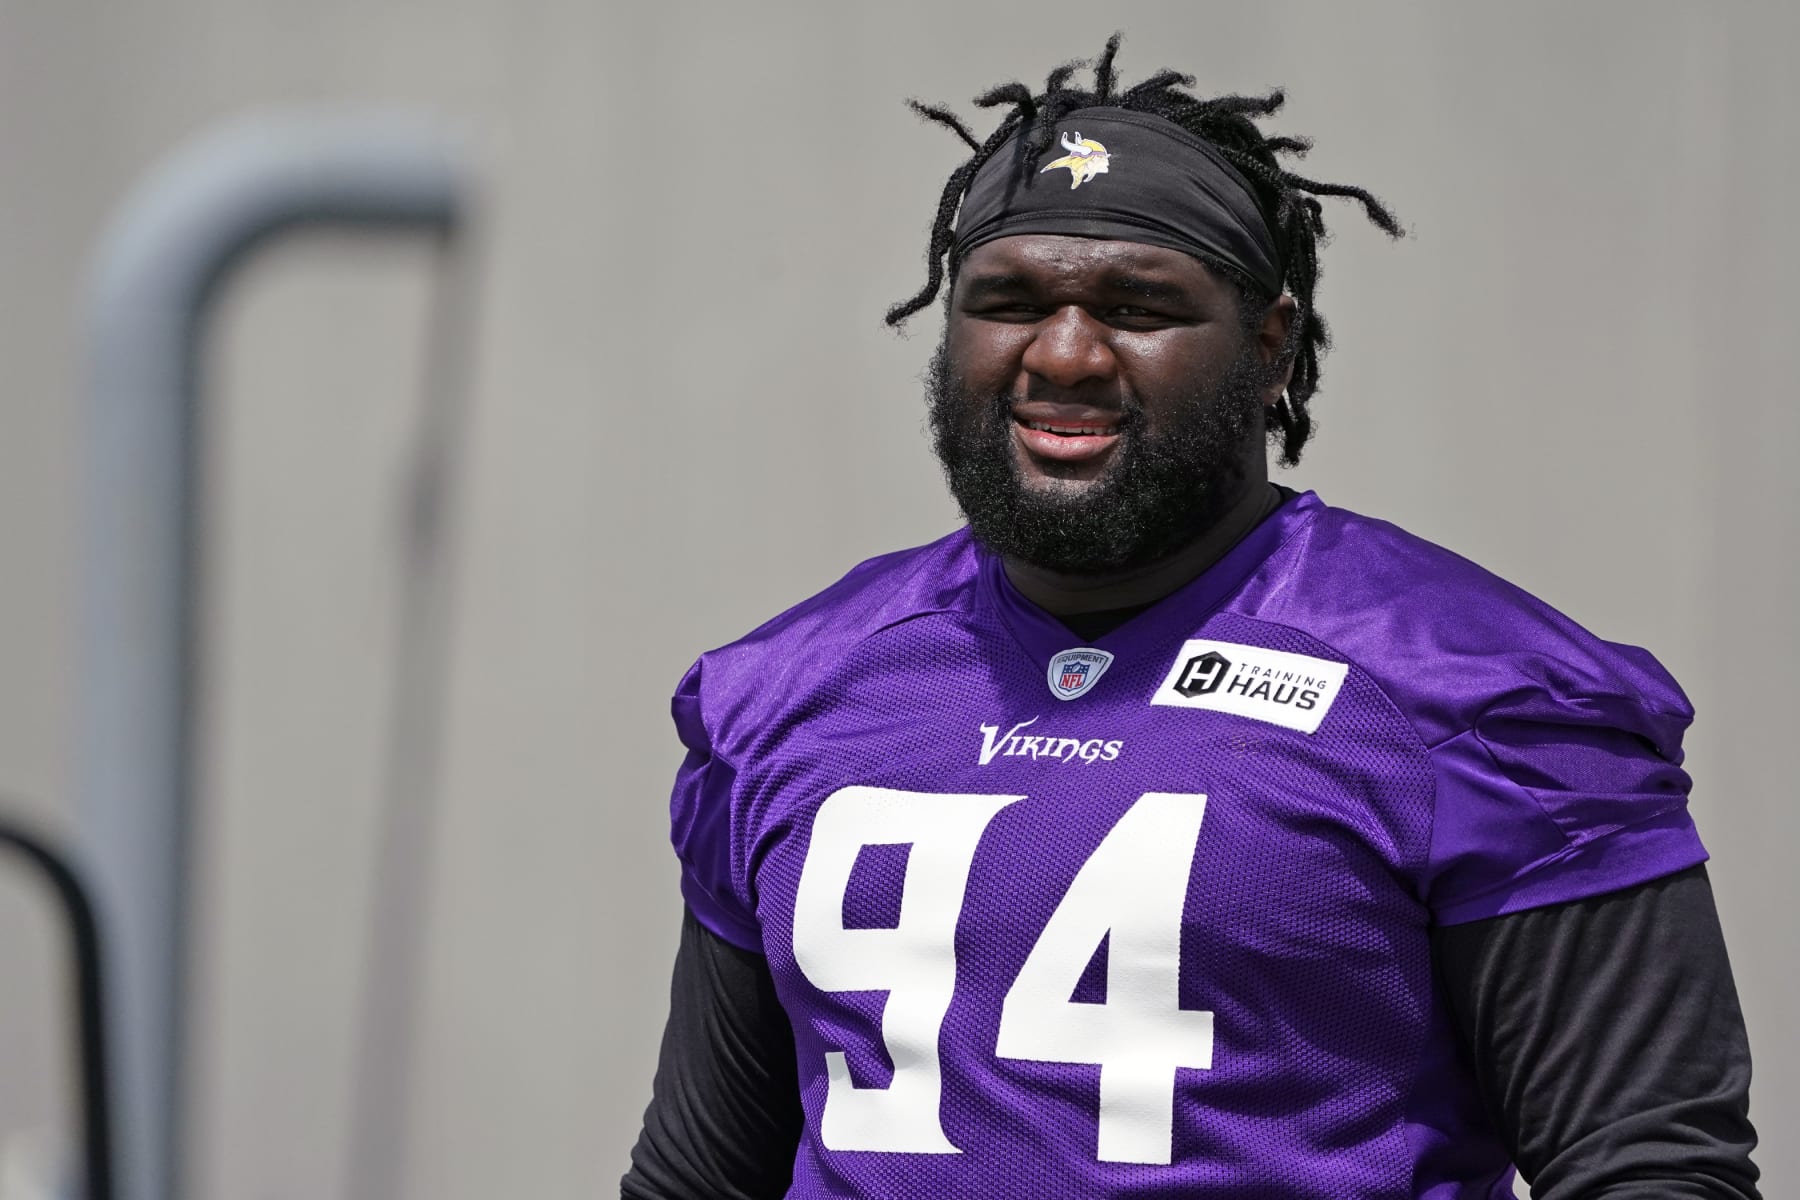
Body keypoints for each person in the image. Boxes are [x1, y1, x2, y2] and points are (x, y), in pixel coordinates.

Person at [621, 37, 1760, 1199]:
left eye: (1138, 305)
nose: (1063, 352)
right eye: (1009, 300)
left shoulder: (1475, 691)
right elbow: (699, 1175)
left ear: (1271, 347)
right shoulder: (790, 690)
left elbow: (1650, 1165)